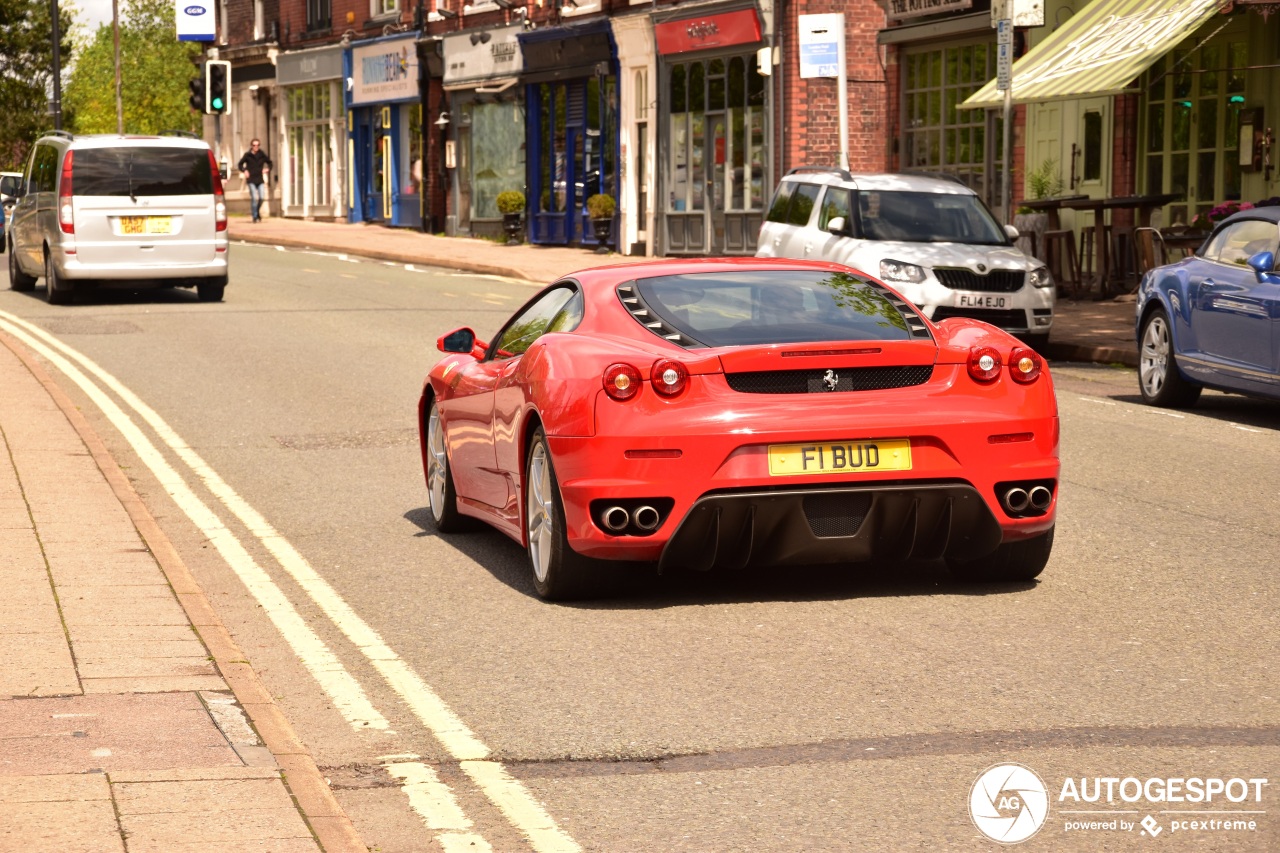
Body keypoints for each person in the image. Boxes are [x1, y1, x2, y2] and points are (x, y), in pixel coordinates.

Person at [237, 139, 273, 223]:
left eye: (257, 145)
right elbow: (240, 164)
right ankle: (254, 216)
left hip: (260, 179)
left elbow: (270, 163)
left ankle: (256, 213)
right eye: (254, 145)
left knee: (261, 197)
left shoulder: (261, 154)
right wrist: (245, 170)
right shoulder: (248, 155)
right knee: (254, 198)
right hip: (251, 179)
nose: (256, 147)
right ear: (251, 146)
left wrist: (267, 169)